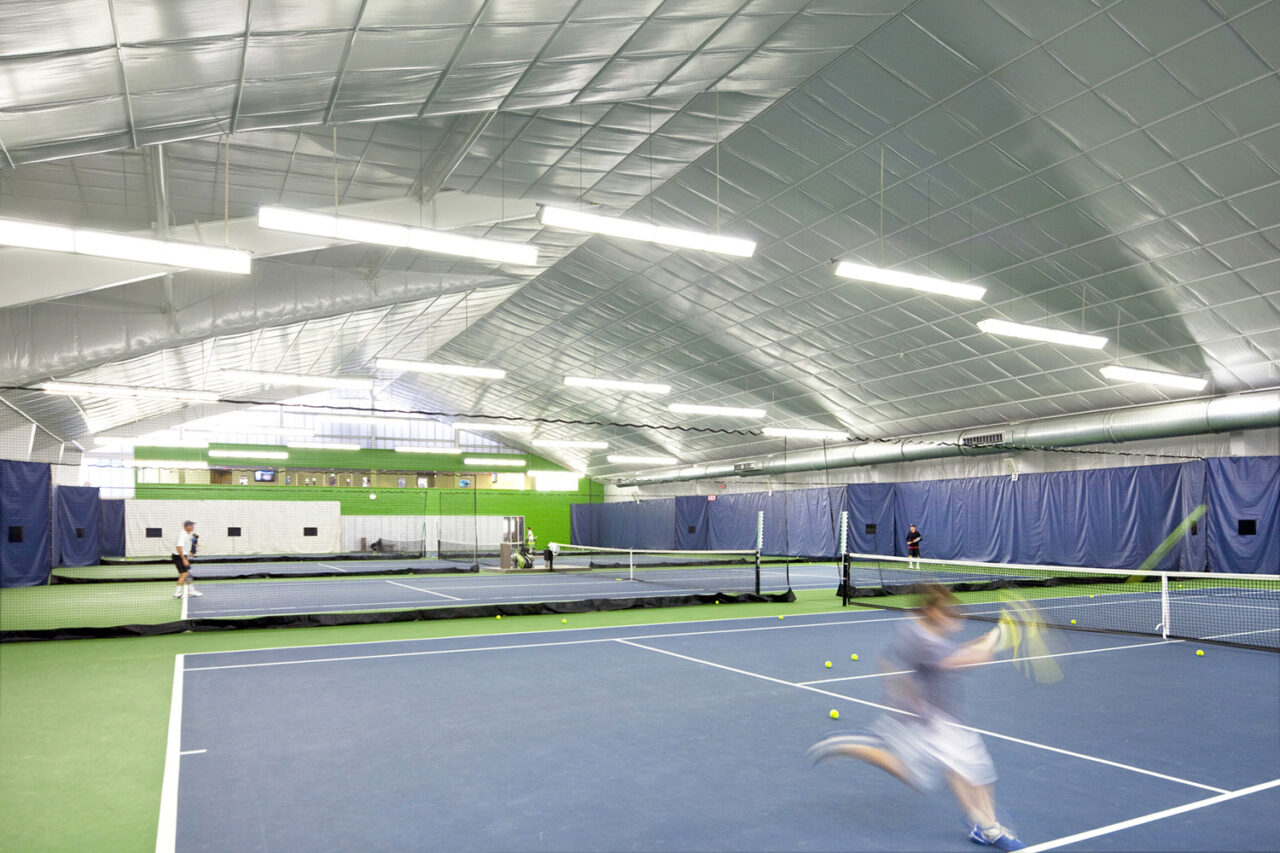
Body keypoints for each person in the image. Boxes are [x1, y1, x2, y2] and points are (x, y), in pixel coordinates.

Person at [807, 585, 1024, 851]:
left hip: (925, 716)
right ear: (933, 612)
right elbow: (961, 661)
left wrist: (977, 644)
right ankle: (988, 828)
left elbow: (941, 654)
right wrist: (991, 644)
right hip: (934, 720)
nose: (954, 620)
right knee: (975, 769)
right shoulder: (927, 642)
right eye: (948, 614)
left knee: (942, 770)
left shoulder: (916, 629)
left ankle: (845, 744)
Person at [172, 521, 203, 598]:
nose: (193, 527)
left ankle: (191, 591)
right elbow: (178, 547)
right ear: (187, 527)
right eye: (192, 525)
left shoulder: (186, 534)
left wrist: (194, 543)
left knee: (188, 573)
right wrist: (184, 559)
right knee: (184, 574)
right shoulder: (183, 535)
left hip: (182, 556)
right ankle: (177, 593)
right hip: (179, 556)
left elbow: (187, 544)